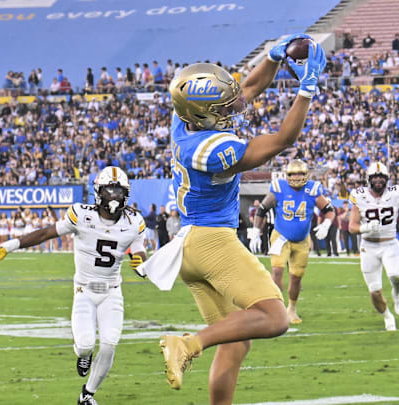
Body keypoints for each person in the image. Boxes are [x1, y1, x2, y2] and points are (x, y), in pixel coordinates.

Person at [148, 33, 325, 404]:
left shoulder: (185, 122)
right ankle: (188, 343)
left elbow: (248, 88)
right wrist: (307, 89)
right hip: (214, 241)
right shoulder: (212, 150)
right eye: (223, 107)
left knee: (236, 341)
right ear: (203, 112)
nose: (233, 108)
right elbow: (280, 141)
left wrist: (273, 57)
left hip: (189, 247)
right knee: (275, 317)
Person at [0, 166, 147, 405]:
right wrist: (9, 245)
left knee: (109, 345)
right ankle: (83, 355)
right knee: (85, 346)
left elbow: (140, 256)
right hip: (84, 290)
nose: (113, 196)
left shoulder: (134, 222)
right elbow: (46, 234)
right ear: (98, 192)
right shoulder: (81, 215)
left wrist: (140, 264)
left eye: (118, 191)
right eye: (109, 190)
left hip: (112, 291)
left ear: (126, 194)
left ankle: (87, 395)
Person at [252, 159, 335, 324]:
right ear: (287, 175)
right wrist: (255, 230)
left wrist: (326, 223)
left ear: (306, 175)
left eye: (300, 174)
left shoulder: (312, 189)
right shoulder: (279, 188)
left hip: (302, 240)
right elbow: (262, 209)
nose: (296, 177)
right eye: (293, 174)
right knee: (276, 271)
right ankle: (277, 309)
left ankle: (292, 308)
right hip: (280, 237)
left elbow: (329, 210)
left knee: (296, 278)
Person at [349, 162, 399, 330]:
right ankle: (387, 316)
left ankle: (397, 292)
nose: (378, 181)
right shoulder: (359, 196)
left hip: (390, 243)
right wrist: (365, 228)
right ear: (369, 179)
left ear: (387, 179)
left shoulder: (396, 193)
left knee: (395, 276)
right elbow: (352, 226)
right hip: (369, 246)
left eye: (381, 177)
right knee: (374, 291)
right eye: (375, 177)